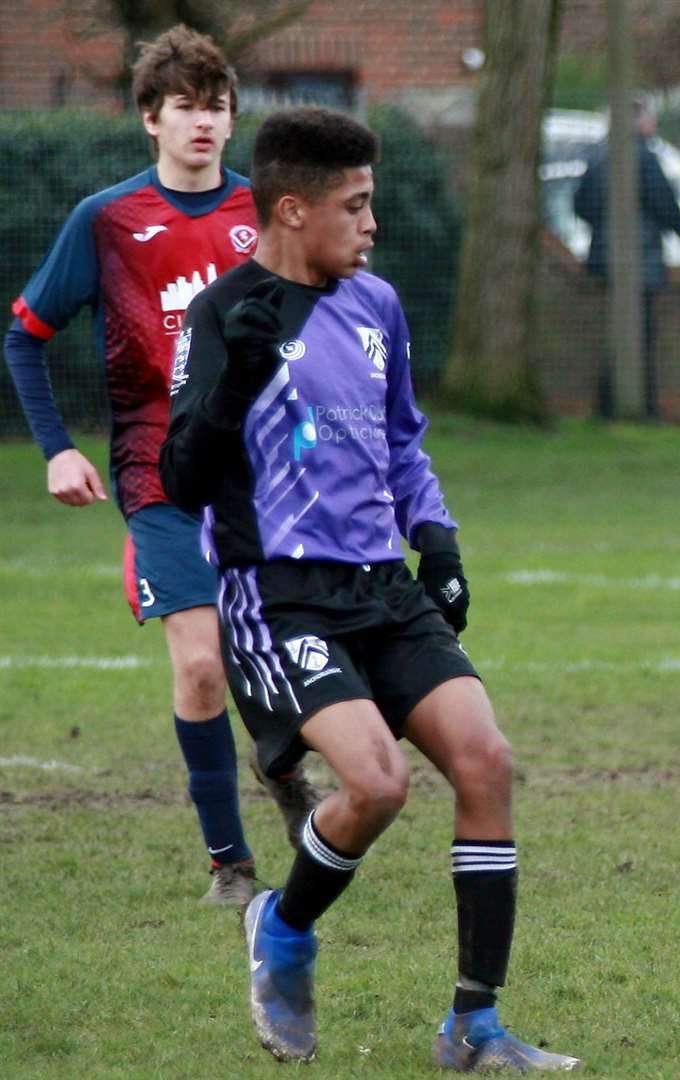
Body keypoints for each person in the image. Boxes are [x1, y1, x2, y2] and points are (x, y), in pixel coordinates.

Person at [159, 106, 579, 1071]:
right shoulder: (222, 315)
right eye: (356, 205)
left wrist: (440, 544)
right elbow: (179, 480)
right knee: (376, 785)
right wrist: (234, 390)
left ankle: (473, 1030)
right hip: (279, 595)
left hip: (384, 588)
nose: (372, 223)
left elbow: (401, 441)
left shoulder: (375, 303)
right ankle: (285, 929)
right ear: (294, 210)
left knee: (486, 760)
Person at [3, 24, 318, 906]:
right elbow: (24, 337)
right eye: (185, 108)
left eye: (217, 107)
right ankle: (230, 864)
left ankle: (287, 774)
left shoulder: (267, 214)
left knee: (285, 652)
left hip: (266, 476)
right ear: (151, 118)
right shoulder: (106, 220)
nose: (204, 123)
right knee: (201, 665)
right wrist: (58, 448)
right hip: (158, 471)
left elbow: (313, 337)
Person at [572, 96, 680, 419]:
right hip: (640, 261)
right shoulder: (642, 157)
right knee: (641, 337)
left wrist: (604, 230)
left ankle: (608, 405)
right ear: (638, 121)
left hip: (606, 259)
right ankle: (640, 407)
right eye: (649, 118)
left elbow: (581, 205)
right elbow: (664, 204)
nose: (654, 124)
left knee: (616, 335)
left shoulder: (598, 155)